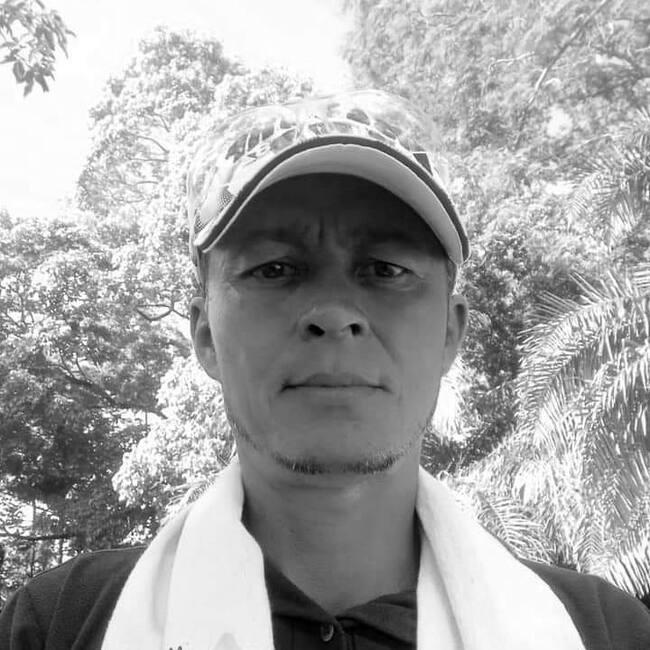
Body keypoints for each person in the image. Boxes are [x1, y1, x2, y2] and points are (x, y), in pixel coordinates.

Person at [1, 89, 649, 650]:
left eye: (386, 269)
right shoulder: (59, 625)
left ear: (451, 333)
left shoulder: (606, 632)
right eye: (275, 269)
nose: (335, 313)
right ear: (204, 334)